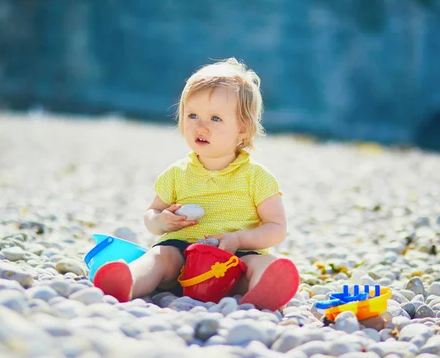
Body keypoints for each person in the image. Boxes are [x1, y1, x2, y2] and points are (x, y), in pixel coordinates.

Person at [93, 58, 300, 311]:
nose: (200, 126)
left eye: (215, 118)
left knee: (262, 264)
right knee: (160, 257)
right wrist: (161, 221)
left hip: (235, 260)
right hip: (182, 258)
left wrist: (238, 239)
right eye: (192, 115)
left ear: (243, 129)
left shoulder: (257, 177)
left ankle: (263, 290)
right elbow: (151, 215)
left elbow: (276, 228)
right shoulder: (177, 173)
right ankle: (128, 281)